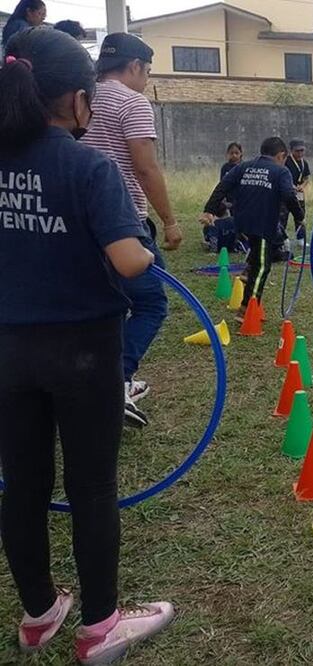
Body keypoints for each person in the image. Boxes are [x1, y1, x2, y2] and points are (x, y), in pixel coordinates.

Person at [0, 27, 174, 664]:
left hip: (8, 348)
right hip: (83, 349)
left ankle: (39, 613)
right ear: (77, 100)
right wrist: (149, 245)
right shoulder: (85, 165)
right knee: (92, 486)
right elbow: (129, 260)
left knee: (21, 482)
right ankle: (101, 627)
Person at [83, 32, 181, 428]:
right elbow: (144, 167)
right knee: (150, 302)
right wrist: (170, 221)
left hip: (78, 221)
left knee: (100, 304)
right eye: (147, 71)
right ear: (136, 67)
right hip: (122, 222)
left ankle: (88, 381)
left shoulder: (81, 98)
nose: (146, 79)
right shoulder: (132, 102)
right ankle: (115, 381)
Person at [202, 137, 304, 317]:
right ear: (281, 155)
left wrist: (209, 210)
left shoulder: (244, 166)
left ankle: (248, 269)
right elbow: (289, 194)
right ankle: (247, 308)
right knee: (263, 266)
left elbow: (223, 186)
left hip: (241, 223)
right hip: (262, 224)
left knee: (263, 250)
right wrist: (299, 217)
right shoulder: (282, 171)